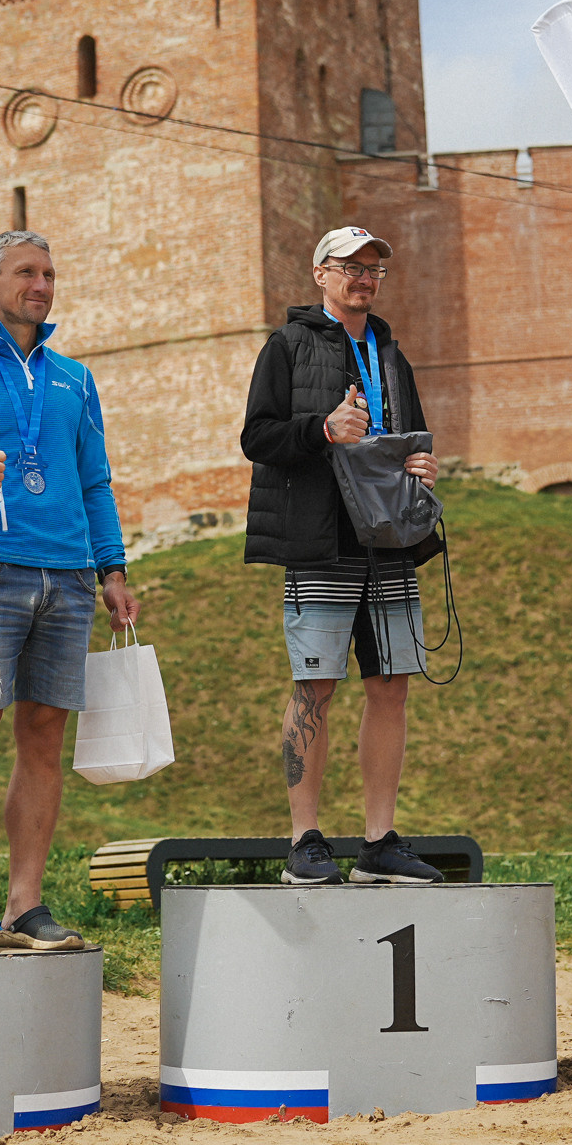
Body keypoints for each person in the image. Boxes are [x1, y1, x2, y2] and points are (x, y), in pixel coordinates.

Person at [0, 230, 141, 954]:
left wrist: (113, 570)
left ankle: (25, 905)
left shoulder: (76, 379)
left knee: (43, 740)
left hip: (71, 577)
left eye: (49, 272)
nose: (41, 284)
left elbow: (94, 479)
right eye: (25, 272)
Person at [241, 226, 445, 886]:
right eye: (349, 267)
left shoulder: (392, 351)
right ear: (320, 275)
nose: (363, 278)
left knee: (390, 686)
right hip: (320, 536)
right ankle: (305, 838)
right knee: (315, 686)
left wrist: (423, 464)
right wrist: (322, 429)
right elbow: (257, 436)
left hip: (387, 536)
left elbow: (409, 434)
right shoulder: (289, 346)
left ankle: (380, 841)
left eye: (372, 269)